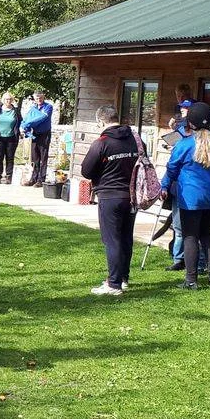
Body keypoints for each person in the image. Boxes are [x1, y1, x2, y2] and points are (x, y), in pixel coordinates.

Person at [160, 101, 210, 290]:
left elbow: (172, 169)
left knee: (190, 236)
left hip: (191, 198)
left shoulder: (185, 144)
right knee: (208, 233)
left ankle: (191, 280)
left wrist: (164, 186)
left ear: (190, 123)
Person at [79, 106, 140, 297]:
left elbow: (86, 171)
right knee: (125, 238)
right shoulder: (135, 139)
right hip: (131, 195)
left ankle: (113, 284)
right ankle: (123, 278)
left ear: (101, 121)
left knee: (112, 240)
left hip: (110, 196)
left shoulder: (102, 143)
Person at [21, 90, 53, 186]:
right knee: (35, 158)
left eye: (40, 98)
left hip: (44, 134)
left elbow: (40, 118)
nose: (39, 99)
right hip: (35, 134)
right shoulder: (33, 108)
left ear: (44, 97)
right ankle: (33, 178)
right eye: (37, 98)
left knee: (43, 157)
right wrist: (22, 125)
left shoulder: (48, 107)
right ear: (34, 99)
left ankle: (41, 179)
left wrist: (27, 124)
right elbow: (26, 118)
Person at [0, 92, 22, 184]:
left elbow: (20, 122)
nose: (8, 101)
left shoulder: (15, 111)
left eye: (10, 99)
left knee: (10, 158)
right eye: (6, 99)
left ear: (12, 100)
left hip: (12, 138)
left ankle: (8, 177)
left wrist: (21, 131)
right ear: (3, 100)